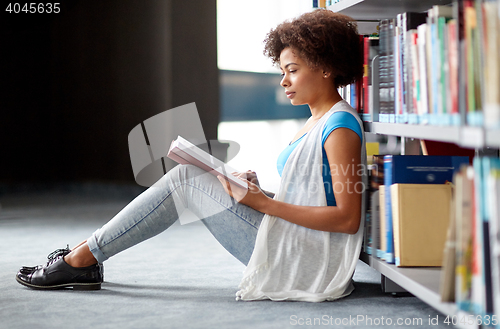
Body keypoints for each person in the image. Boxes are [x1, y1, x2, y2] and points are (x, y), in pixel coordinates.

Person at [16, 9, 366, 302]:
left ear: (326, 67)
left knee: (185, 179)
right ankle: (84, 254)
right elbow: (313, 195)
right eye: (282, 71)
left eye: (292, 70)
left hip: (307, 262)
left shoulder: (339, 128)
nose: (283, 81)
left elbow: (347, 219)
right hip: (294, 240)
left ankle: (81, 259)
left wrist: (264, 205)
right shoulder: (317, 120)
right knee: (194, 176)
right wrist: (260, 194)